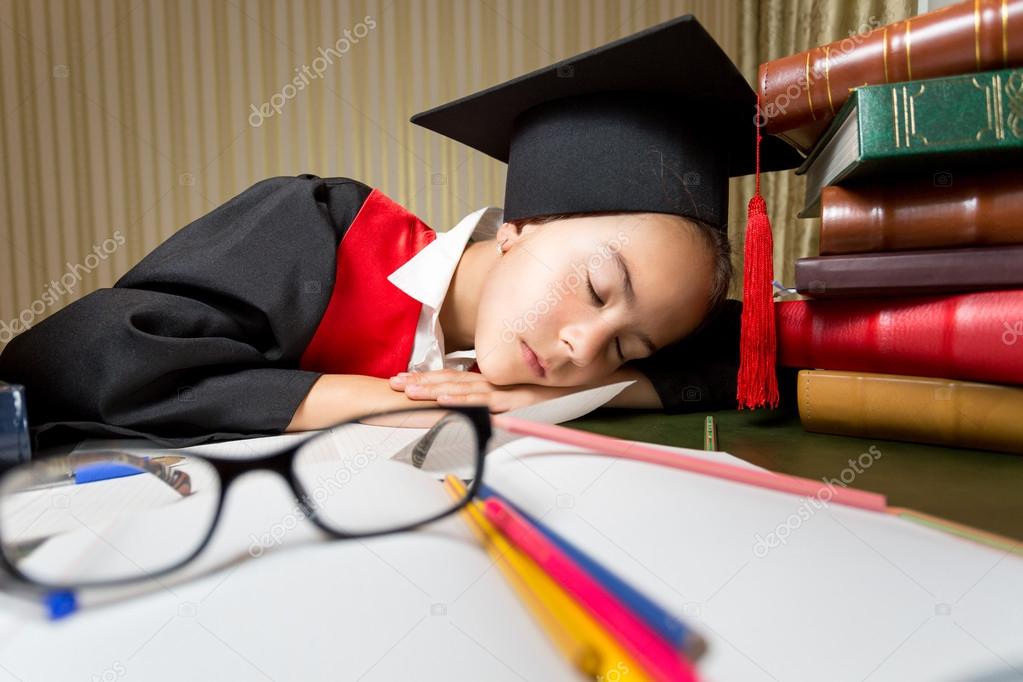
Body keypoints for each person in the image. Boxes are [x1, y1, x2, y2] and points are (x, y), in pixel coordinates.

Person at [0, 15, 801, 448]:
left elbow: (776, 358)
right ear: (518, 225)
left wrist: (558, 394)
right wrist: (366, 402)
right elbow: (79, 358)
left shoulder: (567, 365)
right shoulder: (317, 230)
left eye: (626, 347)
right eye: (595, 289)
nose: (580, 349)